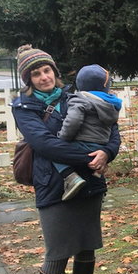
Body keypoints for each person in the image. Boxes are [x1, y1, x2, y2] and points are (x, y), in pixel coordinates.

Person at [11, 45, 121, 274]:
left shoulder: (76, 96)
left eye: (47, 70)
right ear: (28, 79)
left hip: (89, 183)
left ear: (55, 72)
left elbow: (112, 129)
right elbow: (45, 144)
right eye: (36, 73)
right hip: (53, 185)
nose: (44, 77)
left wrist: (107, 152)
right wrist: (91, 155)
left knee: (86, 248)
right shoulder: (23, 107)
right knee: (57, 252)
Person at [55, 64, 122, 201]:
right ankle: (97, 172)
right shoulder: (110, 103)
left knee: (51, 152)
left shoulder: (80, 99)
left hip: (83, 143)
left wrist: (62, 137)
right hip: (101, 147)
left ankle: (70, 177)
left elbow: (73, 120)